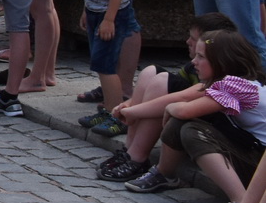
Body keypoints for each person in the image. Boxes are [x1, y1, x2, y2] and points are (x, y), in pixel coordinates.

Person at [125, 30, 266, 203]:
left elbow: (184, 109)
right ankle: (165, 174)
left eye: (201, 57)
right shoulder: (229, 84)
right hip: (254, 152)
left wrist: (168, 109)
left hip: (261, 163)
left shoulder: (236, 85)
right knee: (181, 123)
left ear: (221, 60)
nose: (193, 62)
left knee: (192, 130)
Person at [102, 12, 238, 183]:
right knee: (151, 72)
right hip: (194, 116)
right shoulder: (195, 67)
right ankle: (130, 150)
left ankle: (138, 157)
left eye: (193, 39)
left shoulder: (223, 79)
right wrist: (128, 105)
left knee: (161, 83)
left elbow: (180, 96)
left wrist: (132, 112)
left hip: (219, 131)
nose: (187, 42)